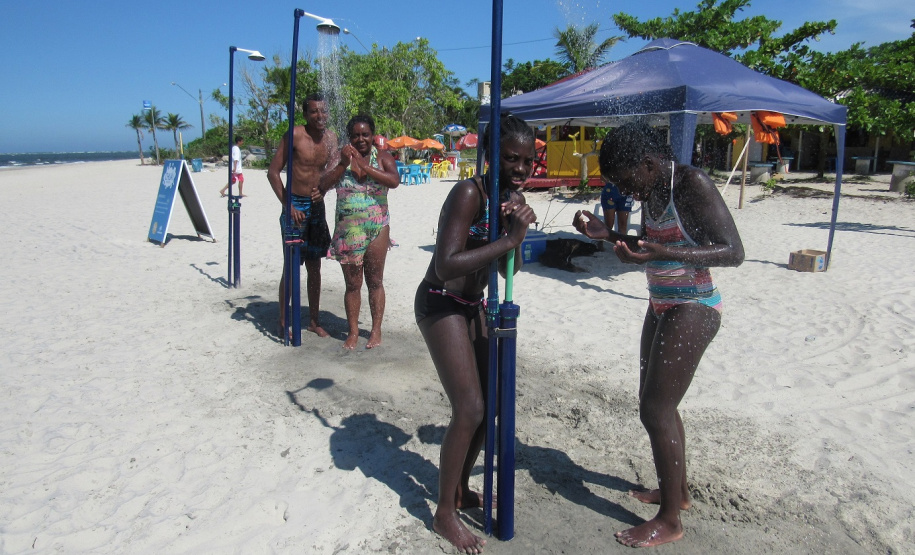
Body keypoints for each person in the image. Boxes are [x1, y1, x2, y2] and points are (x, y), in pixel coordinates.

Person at [572, 122, 744, 548]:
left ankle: (669, 521)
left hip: (695, 305)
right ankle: (677, 493)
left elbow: (733, 252)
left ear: (648, 164)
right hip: (661, 303)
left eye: (626, 180)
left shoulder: (691, 183)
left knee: (655, 408)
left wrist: (662, 251)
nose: (624, 190)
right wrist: (609, 235)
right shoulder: (652, 189)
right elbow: (652, 244)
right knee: (659, 403)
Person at [415, 114, 538, 554]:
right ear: (490, 155)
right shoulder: (469, 193)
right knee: (469, 408)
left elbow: (507, 270)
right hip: (440, 301)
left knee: (492, 406)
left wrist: (514, 234)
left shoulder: (511, 198)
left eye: (527, 161)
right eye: (511, 158)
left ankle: (461, 489)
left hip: (473, 304)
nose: (520, 169)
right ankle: (443, 512)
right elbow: (445, 263)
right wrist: (508, 240)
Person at [319, 115, 400, 350]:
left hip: (377, 228)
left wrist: (366, 167)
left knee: (375, 281)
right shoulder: (339, 158)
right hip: (348, 232)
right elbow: (323, 185)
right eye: (356, 135)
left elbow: (394, 180)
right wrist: (343, 164)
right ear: (349, 137)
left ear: (373, 136)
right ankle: (353, 331)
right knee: (352, 285)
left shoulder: (382, 157)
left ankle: (376, 330)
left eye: (365, 134)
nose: (361, 139)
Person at [267, 93, 335, 339]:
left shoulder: (331, 138)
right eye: (314, 111)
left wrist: (324, 188)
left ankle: (314, 321)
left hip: (317, 206)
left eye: (323, 111)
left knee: (315, 266)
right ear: (306, 114)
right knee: (291, 265)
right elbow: (273, 172)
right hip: (295, 203)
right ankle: (283, 320)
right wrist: (288, 206)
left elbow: (333, 171)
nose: (319, 115)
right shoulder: (294, 135)